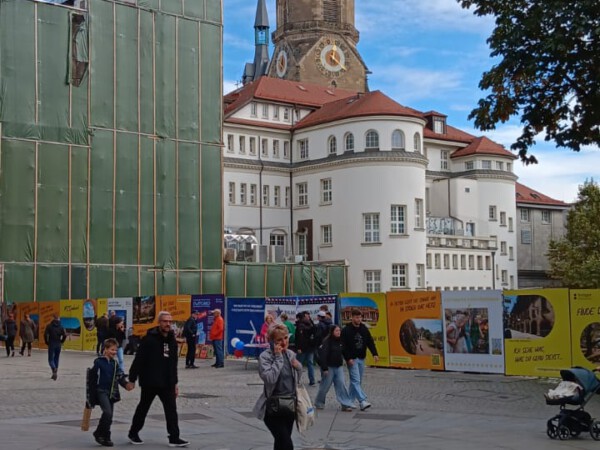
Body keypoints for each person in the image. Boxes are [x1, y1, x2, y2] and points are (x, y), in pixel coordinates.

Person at [127, 311, 189, 447]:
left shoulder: (172, 340)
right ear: (159, 322)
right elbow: (139, 360)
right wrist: (132, 379)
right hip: (150, 381)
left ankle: (174, 437)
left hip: (167, 382)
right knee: (143, 408)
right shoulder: (149, 339)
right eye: (165, 321)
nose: (168, 324)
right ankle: (133, 432)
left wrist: (175, 383)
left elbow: (173, 363)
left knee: (171, 410)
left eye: (170, 321)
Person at [253, 323, 302, 450]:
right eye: (279, 340)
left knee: (281, 443)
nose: (284, 342)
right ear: (271, 341)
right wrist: (278, 358)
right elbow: (270, 379)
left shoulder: (290, 354)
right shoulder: (265, 356)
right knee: (287, 443)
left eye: (285, 338)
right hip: (273, 407)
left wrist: (298, 367)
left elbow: (295, 379)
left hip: (289, 405)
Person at [89, 338, 134, 447]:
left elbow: (119, 376)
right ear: (105, 349)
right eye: (112, 350)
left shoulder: (115, 363)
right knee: (107, 413)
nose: (114, 352)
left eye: (115, 350)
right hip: (101, 391)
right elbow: (92, 378)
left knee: (109, 416)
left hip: (112, 392)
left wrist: (126, 385)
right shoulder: (98, 362)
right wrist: (90, 396)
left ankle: (104, 435)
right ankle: (99, 433)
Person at [341, 309, 379, 411]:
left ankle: (348, 402)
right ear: (352, 317)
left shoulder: (364, 328)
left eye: (360, 317)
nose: (359, 319)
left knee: (357, 382)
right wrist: (348, 358)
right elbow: (343, 346)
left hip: (362, 358)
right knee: (355, 380)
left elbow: (370, 341)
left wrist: (375, 353)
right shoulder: (346, 330)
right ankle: (362, 401)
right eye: (357, 317)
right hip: (352, 359)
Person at [315, 324, 355, 411]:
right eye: (336, 331)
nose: (338, 332)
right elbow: (323, 355)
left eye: (339, 330)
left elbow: (344, 351)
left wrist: (349, 359)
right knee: (325, 386)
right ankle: (319, 403)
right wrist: (324, 368)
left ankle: (345, 404)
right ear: (332, 332)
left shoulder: (341, 341)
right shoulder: (327, 342)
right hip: (329, 367)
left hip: (338, 366)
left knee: (341, 384)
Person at [295, 311, 317, 386]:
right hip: (310, 347)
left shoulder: (301, 325)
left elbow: (299, 338)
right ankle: (312, 381)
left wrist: (298, 347)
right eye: (307, 316)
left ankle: (296, 380)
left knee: (298, 364)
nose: (308, 317)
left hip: (303, 348)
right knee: (310, 363)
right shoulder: (310, 324)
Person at [44, 314, 67, 380]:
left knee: (50, 359)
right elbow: (65, 335)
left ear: (53, 318)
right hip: (58, 344)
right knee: (56, 358)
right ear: (58, 319)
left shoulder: (49, 326)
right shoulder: (61, 327)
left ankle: (54, 369)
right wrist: (62, 341)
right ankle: (55, 372)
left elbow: (45, 335)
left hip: (51, 343)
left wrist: (46, 342)